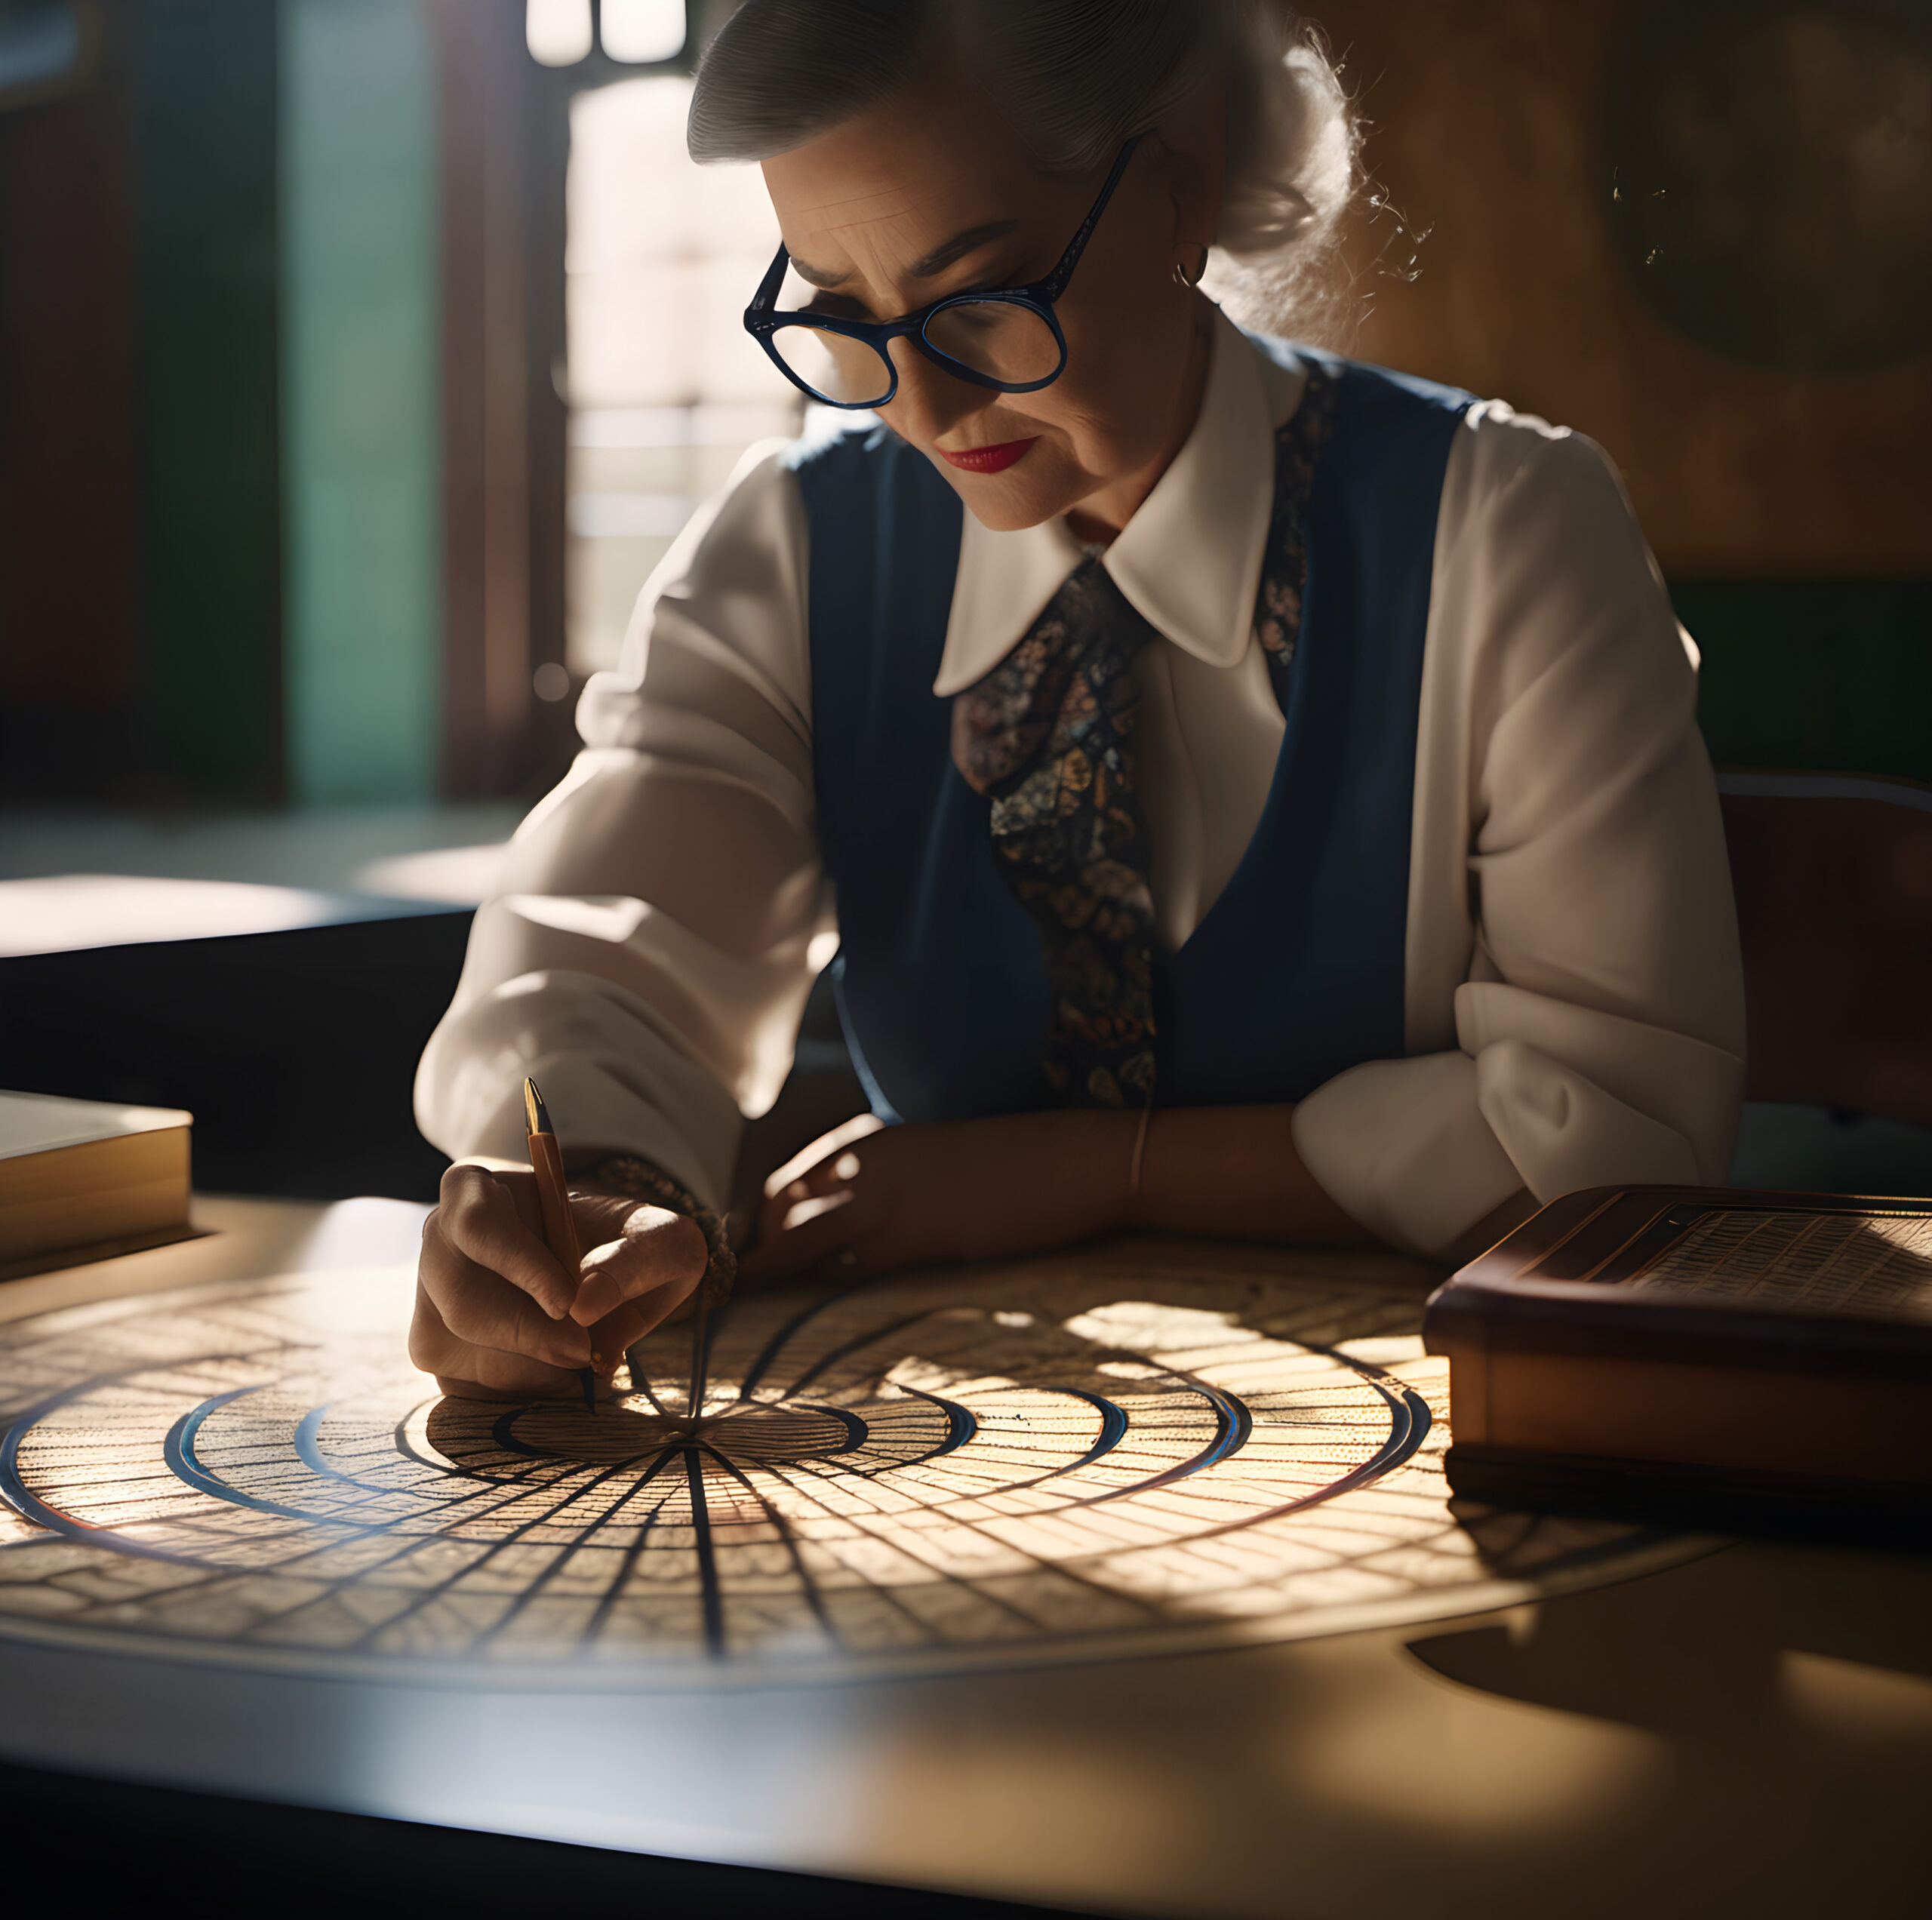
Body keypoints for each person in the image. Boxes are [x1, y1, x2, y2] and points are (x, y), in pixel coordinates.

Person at [408, 0, 1745, 1402]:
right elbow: (603, 967)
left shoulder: (1505, 529)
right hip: (972, 1453)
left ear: (1183, 178)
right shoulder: (795, 550)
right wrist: (585, 1202)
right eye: (846, 316)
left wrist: (1090, 1173)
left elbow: (1619, 1135)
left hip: (1451, 1419)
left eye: (984, 297)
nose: (918, 410)